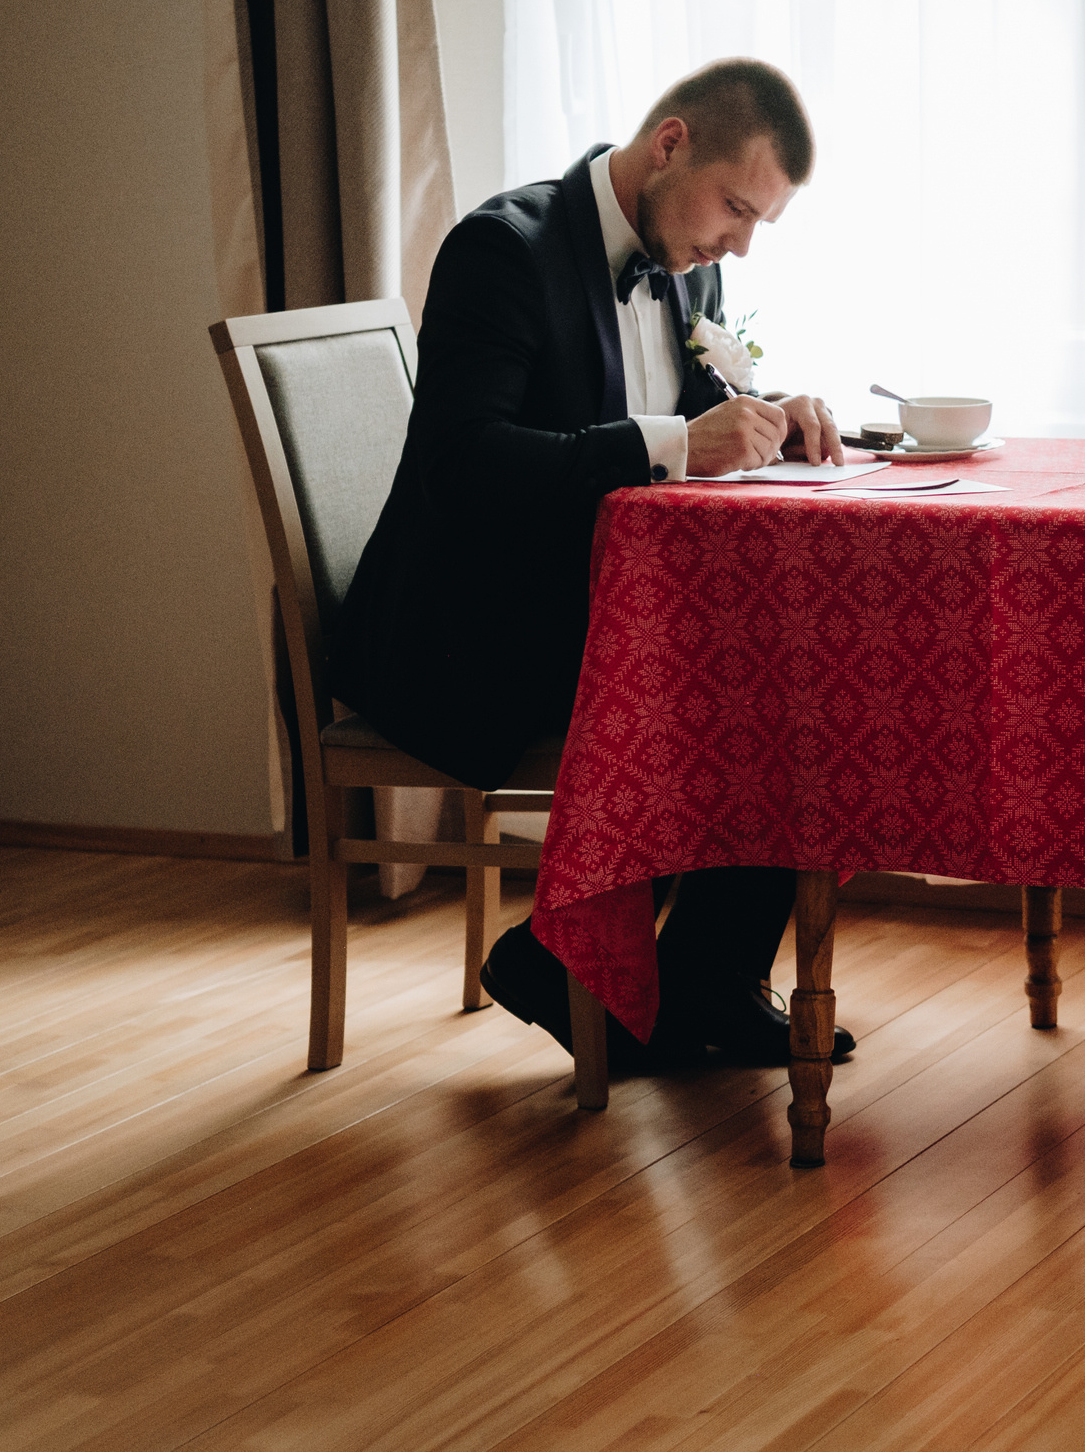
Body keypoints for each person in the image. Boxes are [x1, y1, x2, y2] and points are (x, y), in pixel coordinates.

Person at [330, 56, 855, 1071]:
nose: (740, 246)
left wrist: (772, 419)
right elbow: (459, 464)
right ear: (670, 147)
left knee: (805, 672)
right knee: (745, 694)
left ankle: (696, 980)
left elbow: (690, 413)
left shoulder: (685, 257)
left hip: (595, 608)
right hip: (467, 630)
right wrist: (664, 447)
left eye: (758, 225)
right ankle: (570, 962)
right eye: (736, 208)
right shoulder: (501, 250)